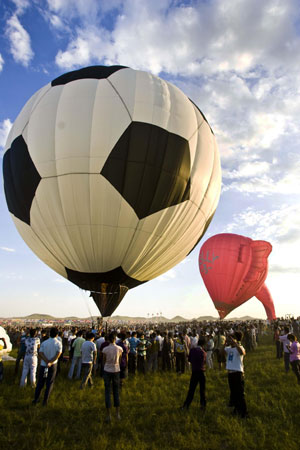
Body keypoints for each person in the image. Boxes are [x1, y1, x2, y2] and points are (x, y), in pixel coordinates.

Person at [32, 327, 62, 406]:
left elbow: (40, 352)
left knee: (40, 382)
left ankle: (36, 399)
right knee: (49, 382)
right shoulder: (58, 343)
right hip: (52, 365)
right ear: (57, 334)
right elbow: (58, 353)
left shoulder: (44, 343)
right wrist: (51, 361)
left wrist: (46, 361)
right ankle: (45, 401)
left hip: (43, 365)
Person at [224, 331, 248, 418]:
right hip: (230, 373)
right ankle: (237, 410)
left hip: (238, 373)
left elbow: (242, 352)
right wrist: (225, 343)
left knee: (240, 394)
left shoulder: (240, 347)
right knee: (233, 393)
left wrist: (235, 343)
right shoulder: (229, 348)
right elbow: (220, 352)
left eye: (232, 337)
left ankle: (244, 413)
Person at [180, 336, 207, 411]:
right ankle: (203, 406)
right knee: (202, 390)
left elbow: (189, 360)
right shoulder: (204, 352)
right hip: (202, 372)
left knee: (191, 390)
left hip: (194, 372)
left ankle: (186, 405)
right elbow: (204, 362)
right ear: (203, 345)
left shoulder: (192, 350)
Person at [102, 332, 123, 422]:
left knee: (107, 391)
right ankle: (117, 414)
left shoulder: (105, 349)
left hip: (107, 370)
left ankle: (108, 415)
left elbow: (104, 360)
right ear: (115, 339)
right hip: (116, 370)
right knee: (116, 391)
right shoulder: (119, 349)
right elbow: (120, 359)